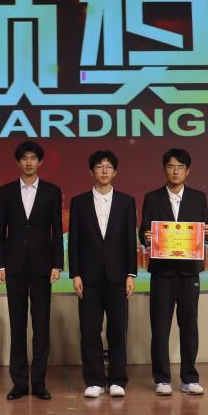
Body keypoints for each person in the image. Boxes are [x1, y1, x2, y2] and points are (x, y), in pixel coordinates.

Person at [0, 140, 64, 401]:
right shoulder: (5, 191)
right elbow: (0, 230)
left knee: (41, 325)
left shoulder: (52, 191)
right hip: (14, 267)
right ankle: (20, 383)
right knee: (17, 325)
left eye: (33, 158)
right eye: (24, 158)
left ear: (40, 161)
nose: (28, 163)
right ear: (18, 162)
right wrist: (0, 264)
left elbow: (57, 230)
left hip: (42, 267)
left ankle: (39, 382)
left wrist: (57, 264)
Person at [139, 148, 208, 396]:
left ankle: (189, 378)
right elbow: (143, 232)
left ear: (188, 171)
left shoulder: (198, 198)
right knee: (160, 327)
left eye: (180, 167)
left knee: (189, 327)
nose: (175, 171)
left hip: (190, 273)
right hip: (162, 273)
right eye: (171, 166)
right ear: (164, 169)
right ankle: (162, 379)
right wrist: (146, 237)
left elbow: (205, 232)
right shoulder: (152, 198)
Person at [68, 150, 138, 399]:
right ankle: (94, 380)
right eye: (99, 166)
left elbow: (130, 239)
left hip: (118, 276)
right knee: (90, 329)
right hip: (88, 277)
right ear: (91, 171)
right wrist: (75, 274)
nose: (104, 171)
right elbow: (74, 240)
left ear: (115, 172)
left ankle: (118, 380)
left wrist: (131, 274)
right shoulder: (79, 202)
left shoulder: (127, 201)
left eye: (109, 166)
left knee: (118, 328)